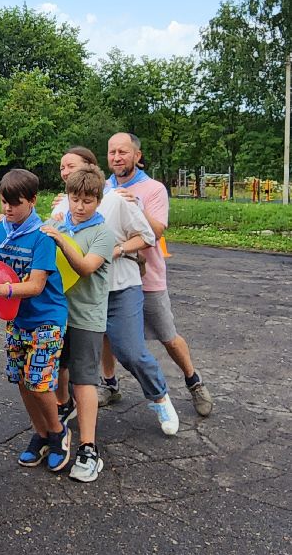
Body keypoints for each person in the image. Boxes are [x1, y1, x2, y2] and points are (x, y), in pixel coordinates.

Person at [51, 147, 180, 436]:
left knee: (130, 351)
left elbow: (148, 236)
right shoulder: (62, 208)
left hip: (120, 288)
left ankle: (159, 396)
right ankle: (69, 404)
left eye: (71, 165)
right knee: (68, 356)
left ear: (90, 167)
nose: (65, 171)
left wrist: (116, 250)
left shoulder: (115, 201)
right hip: (81, 295)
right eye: (62, 167)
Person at [105, 132, 212, 417]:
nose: (117, 157)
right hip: (112, 277)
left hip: (147, 278)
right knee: (106, 336)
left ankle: (194, 381)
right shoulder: (103, 188)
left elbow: (157, 231)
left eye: (123, 152)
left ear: (137, 156)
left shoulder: (153, 189)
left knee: (167, 335)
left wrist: (135, 205)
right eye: (112, 152)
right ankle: (110, 385)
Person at [0, 169, 70, 473]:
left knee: (38, 382)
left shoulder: (42, 236)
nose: (7, 209)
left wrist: (2, 289)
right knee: (20, 380)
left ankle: (58, 433)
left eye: (14, 204)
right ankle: (40, 434)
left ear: (32, 200)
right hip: (16, 319)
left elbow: (37, 286)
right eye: (4, 202)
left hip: (47, 318)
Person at [41, 167, 115, 482]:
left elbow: (85, 268)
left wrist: (59, 236)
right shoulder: (58, 223)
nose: (80, 206)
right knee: (58, 369)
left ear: (98, 200)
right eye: (75, 199)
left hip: (87, 318)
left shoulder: (103, 233)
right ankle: (63, 408)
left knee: (85, 380)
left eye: (87, 200)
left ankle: (88, 448)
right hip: (57, 315)